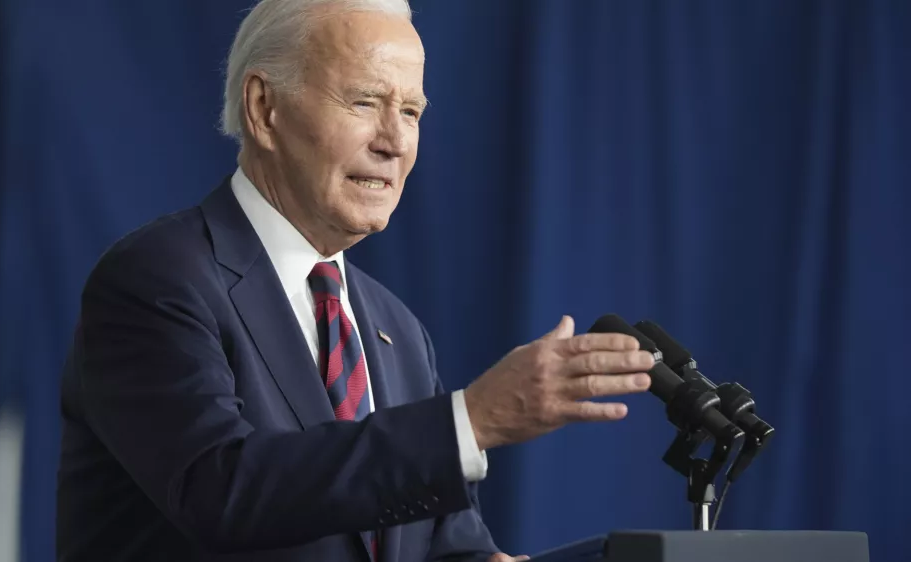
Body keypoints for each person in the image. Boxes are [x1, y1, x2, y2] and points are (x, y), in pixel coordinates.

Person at [55, 0, 655, 560]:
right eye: (365, 102)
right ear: (265, 109)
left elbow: (445, 543)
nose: (394, 142)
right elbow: (218, 490)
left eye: (412, 112)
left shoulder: (396, 329)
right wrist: (469, 420)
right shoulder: (160, 279)